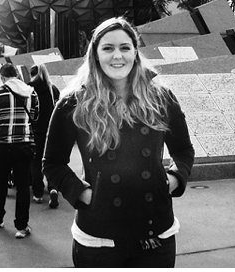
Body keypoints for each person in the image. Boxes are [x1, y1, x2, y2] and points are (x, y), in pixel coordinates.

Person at [43, 17, 195, 267]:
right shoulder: (74, 102)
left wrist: (174, 179)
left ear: (136, 52)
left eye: (125, 47)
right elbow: (53, 163)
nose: (117, 56)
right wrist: (83, 195)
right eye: (108, 48)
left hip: (156, 233)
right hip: (99, 238)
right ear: (95, 54)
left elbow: (183, 150)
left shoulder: (161, 97)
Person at [0, 62, 39, 239]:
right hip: (24, 144)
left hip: (2, 144)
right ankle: (21, 226)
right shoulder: (31, 92)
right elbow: (36, 116)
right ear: (17, 75)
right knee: (23, 186)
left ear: (2, 77)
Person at [28, 63, 61, 208]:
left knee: (35, 162)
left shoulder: (29, 88)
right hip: (51, 130)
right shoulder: (52, 88)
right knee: (49, 161)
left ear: (32, 74)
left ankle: (38, 193)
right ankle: (53, 188)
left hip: (35, 130)